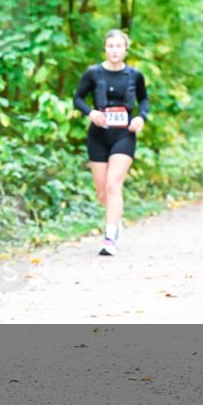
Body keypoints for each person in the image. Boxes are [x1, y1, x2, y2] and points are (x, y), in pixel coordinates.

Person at [73, 28, 150, 256]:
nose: (115, 50)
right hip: (98, 135)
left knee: (113, 184)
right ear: (105, 49)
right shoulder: (93, 73)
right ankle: (115, 221)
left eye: (119, 46)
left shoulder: (135, 75)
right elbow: (77, 98)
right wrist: (90, 113)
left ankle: (109, 237)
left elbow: (144, 100)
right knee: (102, 192)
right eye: (110, 46)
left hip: (124, 135)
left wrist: (140, 117)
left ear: (126, 49)